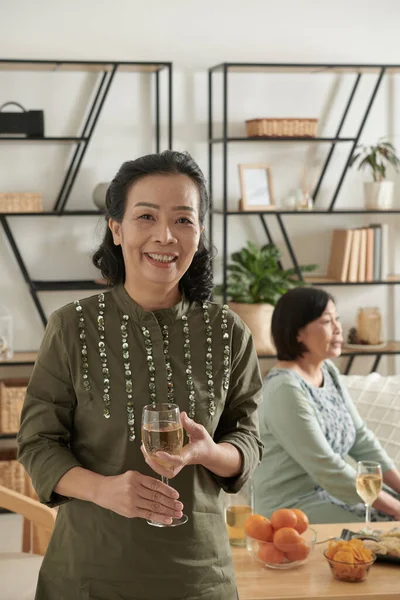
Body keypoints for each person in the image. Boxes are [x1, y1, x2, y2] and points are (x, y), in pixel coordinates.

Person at [17, 150, 263, 600]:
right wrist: (105, 490)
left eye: (183, 220)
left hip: (199, 579)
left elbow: (247, 441)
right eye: (145, 216)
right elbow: (37, 443)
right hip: (88, 576)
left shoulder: (228, 331)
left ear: (200, 233)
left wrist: (209, 453)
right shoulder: (71, 326)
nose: (164, 236)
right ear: (117, 227)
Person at [253, 287, 400, 524]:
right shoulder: (285, 390)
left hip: (333, 494)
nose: (339, 328)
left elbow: (361, 439)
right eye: (326, 321)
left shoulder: (328, 371)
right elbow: (326, 467)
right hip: (292, 505)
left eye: (337, 319)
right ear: (298, 332)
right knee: (388, 525)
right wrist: (395, 508)